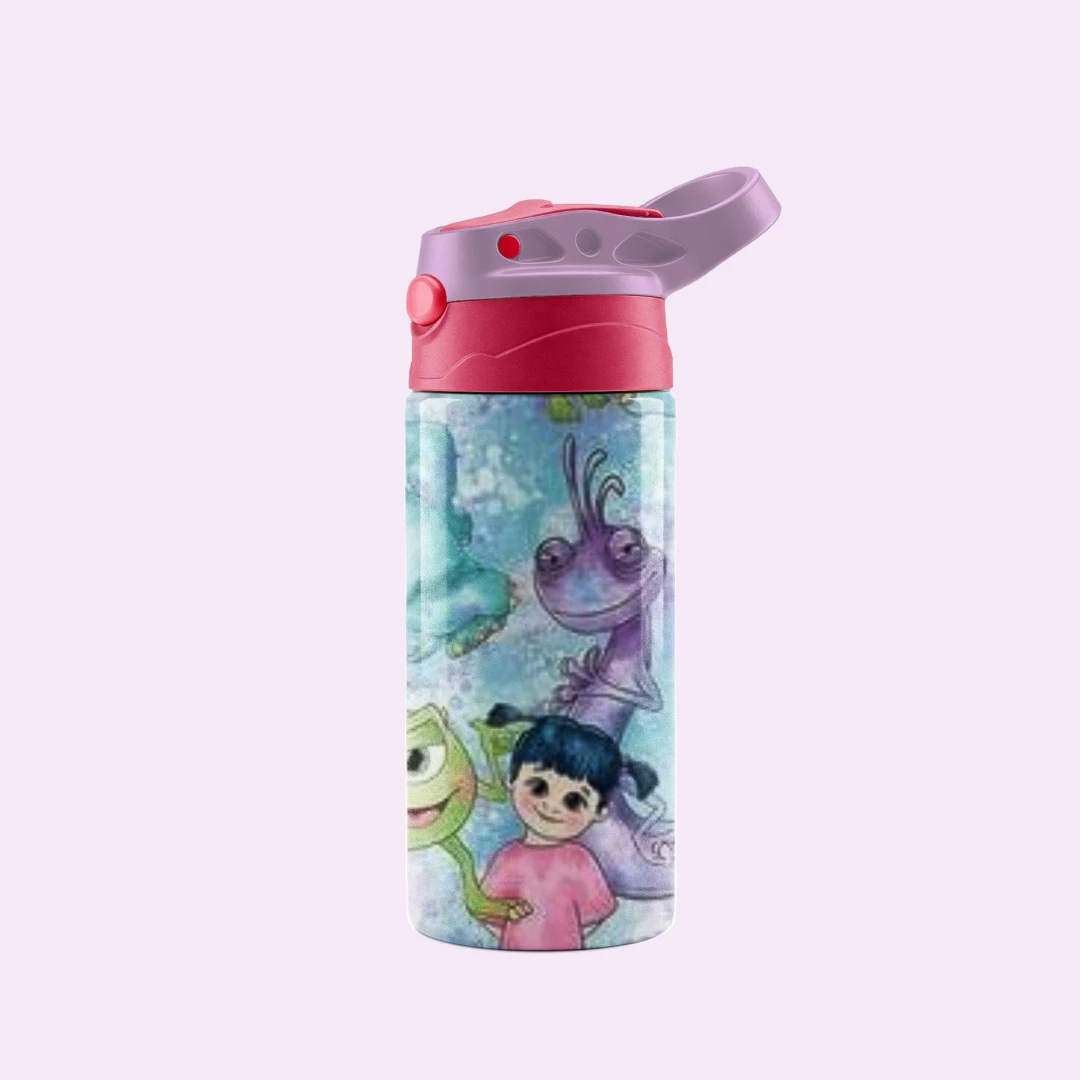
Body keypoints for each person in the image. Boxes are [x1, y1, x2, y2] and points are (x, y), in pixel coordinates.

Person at [480, 706, 655, 950]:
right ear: (512, 780)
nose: (551, 806)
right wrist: (513, 934)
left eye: (573, 801)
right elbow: (488, 912)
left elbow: (595, 914)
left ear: (600, 810)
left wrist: (566, 937)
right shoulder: (508, 859)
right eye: (538, 787)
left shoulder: (580, 861)